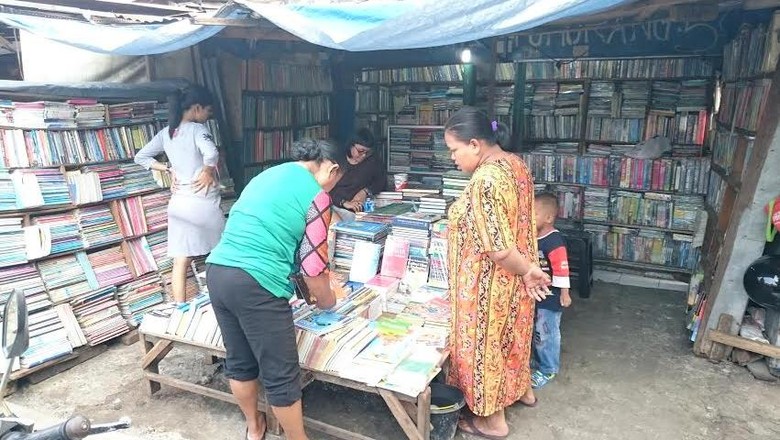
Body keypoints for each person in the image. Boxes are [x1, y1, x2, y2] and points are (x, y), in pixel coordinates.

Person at [205, 138, 346, 440]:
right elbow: (313, 266)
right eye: (335, 183)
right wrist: (328, 300)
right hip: (257, 283)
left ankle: (255, 428)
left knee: (240, 361)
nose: (330, 190)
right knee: (281, 376)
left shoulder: (267, 175)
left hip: (218, 272)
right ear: (332, 170)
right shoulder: (317, 197)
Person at [444, 106, 551, 439]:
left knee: (483, 348)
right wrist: (528, 270)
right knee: (513, 339)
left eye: (454, 150)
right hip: (517, 278)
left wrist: (528, 270)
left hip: (489, 284)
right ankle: (522, 391)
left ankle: (492, 421)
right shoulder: (515, 164)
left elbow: (498, 248)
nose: (452, 158)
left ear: (475, 144)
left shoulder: (485, 180)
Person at [134, 85, 224, 304]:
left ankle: (180, 307)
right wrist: (208, 169)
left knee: (180, 261)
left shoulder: (167, 133)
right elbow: (211, 152)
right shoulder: (197, 130)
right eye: (207, 111)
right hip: (201, 203)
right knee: (220, 255)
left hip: (178, 204)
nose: (207, 116)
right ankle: (222, 304)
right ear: (196, 108)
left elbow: (141, 156)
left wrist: (168, 168)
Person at [532, 192, 572, 389]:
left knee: (547, 333)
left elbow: (562, 269)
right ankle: (539, 362)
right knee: (537, 333)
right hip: (537, 295)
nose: (530, 218)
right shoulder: (533, 237)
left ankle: (548, 369)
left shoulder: (554, 241)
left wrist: (564, 293)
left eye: (535, 214)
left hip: (551, 298)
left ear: (548, 218)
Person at [329, 128, 385, 221]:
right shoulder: (337, 160)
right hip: (336, 207)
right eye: (360, 151)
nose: (363, 155)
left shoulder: (372, 161)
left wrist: (365, 191)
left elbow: (381, 181)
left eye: (367, 152)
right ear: (351, 146)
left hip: (361, 209)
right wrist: (343, 202)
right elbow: (325, 189)